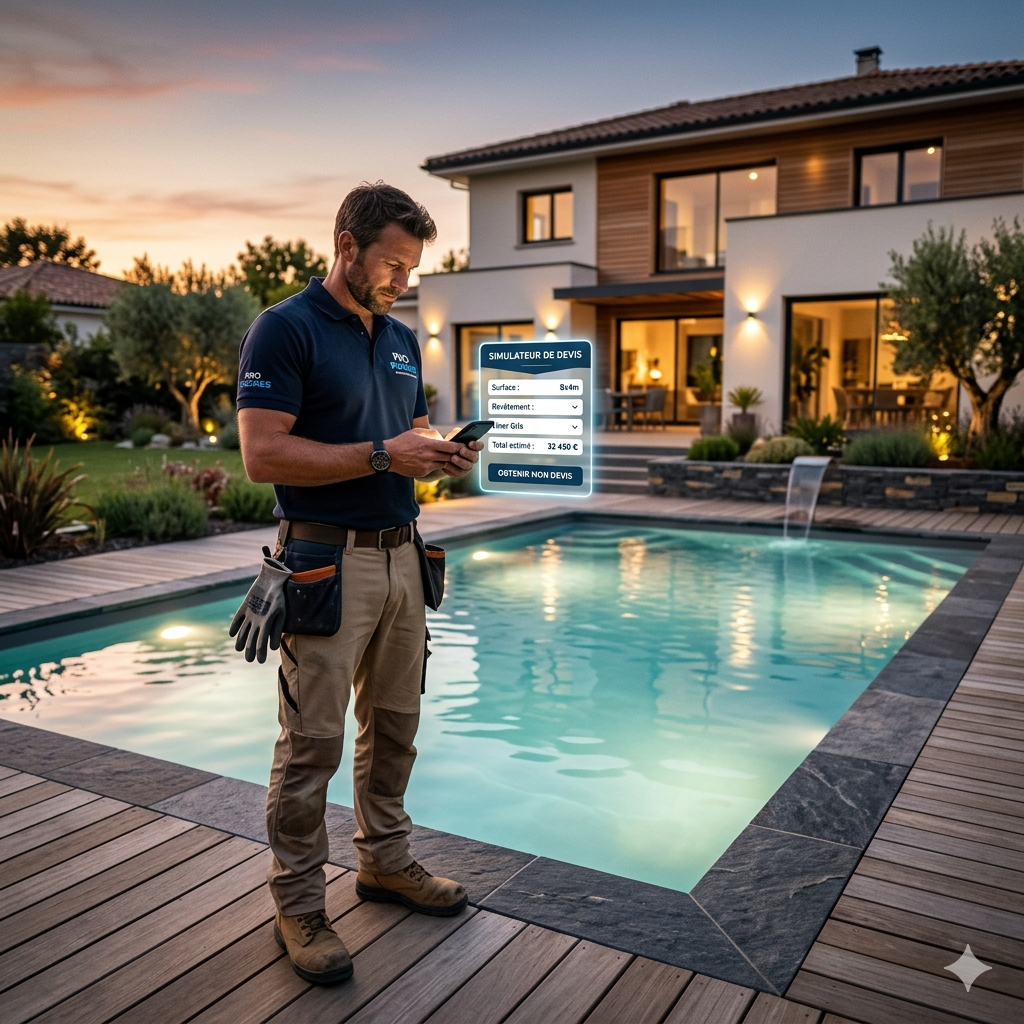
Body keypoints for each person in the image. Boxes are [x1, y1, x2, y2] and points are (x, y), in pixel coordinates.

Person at [236, 182, 482, 985]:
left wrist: (433, 451)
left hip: (405, 554)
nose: (404, 279)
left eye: (413, 266)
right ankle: (299, 902)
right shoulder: (284, 329)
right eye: (393, 262)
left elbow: (398, 431)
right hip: (323, 560)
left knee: (396, 723)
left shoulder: (402, 336)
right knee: (313, 744)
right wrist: (384, 454)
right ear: (346, 244)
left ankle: (385, 862)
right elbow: (263, 455)